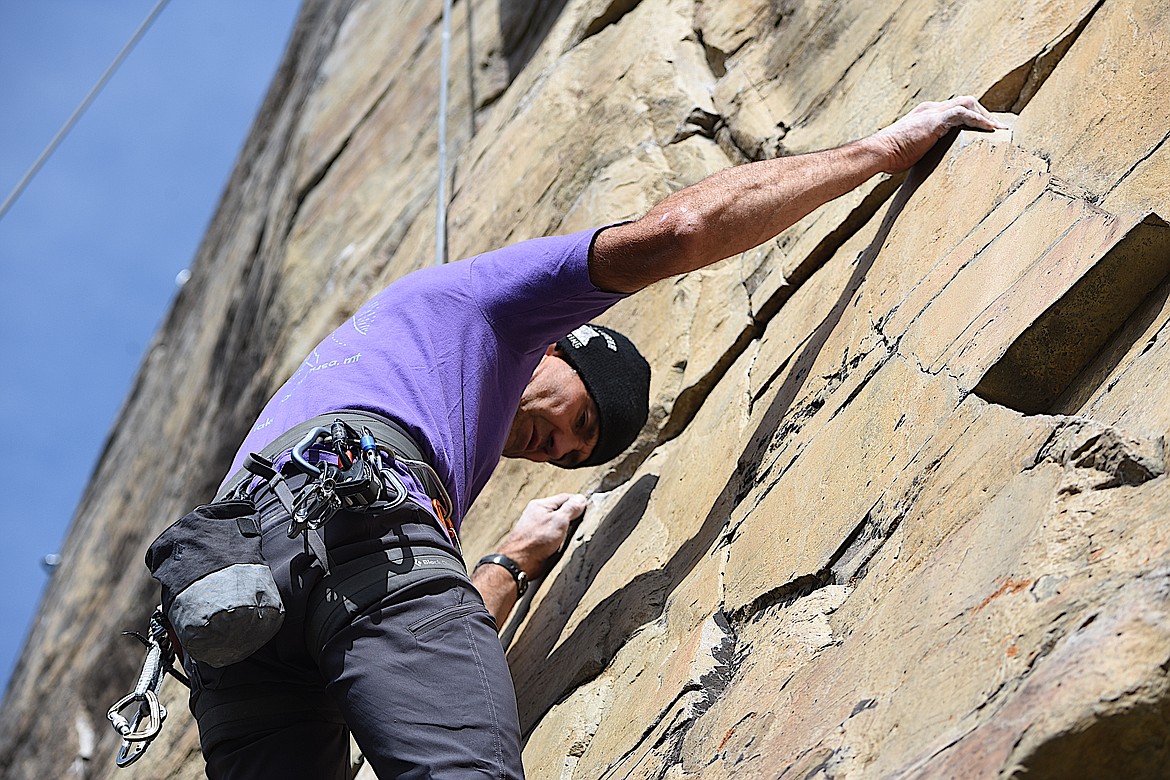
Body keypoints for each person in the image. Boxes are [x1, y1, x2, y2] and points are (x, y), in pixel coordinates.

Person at [187, 97, 1002, 779]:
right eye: (576, 419)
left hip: (231, 591)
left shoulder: (404, 399)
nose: (553, 443)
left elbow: (405, 625)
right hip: (350, 516)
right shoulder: (482, 306)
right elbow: (683, 231)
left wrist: (512, 559)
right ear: (556, 344)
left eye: (568, 454)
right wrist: (882, 149)